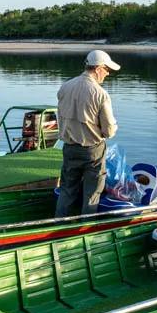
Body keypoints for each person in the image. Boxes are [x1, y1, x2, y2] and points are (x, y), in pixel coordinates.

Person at [55, 50, 120, 217]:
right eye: (107, 70)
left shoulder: (65, 87)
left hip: (69, 147)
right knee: (92, 194)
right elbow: (109, 131)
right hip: (93, 151)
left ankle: (59, 224)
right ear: (98, 68)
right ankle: (85, 229)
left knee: (67, 190)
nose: (107, 74)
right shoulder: (100, 94)